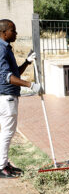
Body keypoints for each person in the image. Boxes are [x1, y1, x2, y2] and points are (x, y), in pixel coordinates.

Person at [0, 19, 42, 178]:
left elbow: (14, 73)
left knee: (6, 132)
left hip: (7, 97)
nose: (16, 33)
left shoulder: (6, 48)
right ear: (4, 32)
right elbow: (6, 77)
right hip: (6, 98)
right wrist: (30, 85)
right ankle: (1, 167)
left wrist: (27, 62)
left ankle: (3, 162)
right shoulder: (1, 49)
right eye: (13, 30)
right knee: (7, 133)